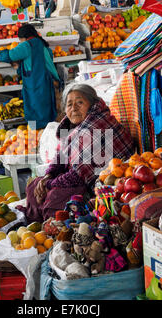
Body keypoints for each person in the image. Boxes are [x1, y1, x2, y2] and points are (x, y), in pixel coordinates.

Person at [25, 84, 135, 223]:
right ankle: (36, 226)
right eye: (69, 104)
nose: (74, 108)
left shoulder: (97, 124)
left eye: (80, 102)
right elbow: (61, 157)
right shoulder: (75, 126)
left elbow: (78, 176)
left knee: (56, 195)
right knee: (34, 185)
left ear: (93, 104)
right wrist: (48, 176)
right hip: (78, 177)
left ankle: (55, 231)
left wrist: (49, 184)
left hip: (95, 184)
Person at [0, 23, 60, 130]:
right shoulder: (41, 43)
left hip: (37, 86)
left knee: (34, 115)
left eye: (20, 40)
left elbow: (8, 56)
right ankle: (48, 138)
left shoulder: (27, 45)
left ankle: (35, 140)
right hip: (50, 83)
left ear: (23, 38)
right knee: (49, 113)